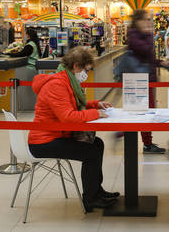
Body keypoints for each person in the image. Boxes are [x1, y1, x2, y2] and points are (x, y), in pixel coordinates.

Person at [28, 46, 119, 212]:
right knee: (90, 152)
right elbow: (68, 117)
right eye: (86, 70)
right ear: (76, 66)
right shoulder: (57, 84)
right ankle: (91, 199)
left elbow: (73, 105)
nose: (86, 75)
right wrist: (95, 113)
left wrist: (95, 104)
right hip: (44, 141)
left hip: (56, 135)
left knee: (97, 144)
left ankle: (97, 191)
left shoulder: (66, 81)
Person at [127, 9, 169, 154]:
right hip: (139, 80)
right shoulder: (134, 34)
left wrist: (159, 62)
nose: (148, 22)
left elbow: (147, 58)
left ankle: (147, 143)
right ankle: (144, 143)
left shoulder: (139, 34)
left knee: (144, 111)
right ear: (137, 20)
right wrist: (149, 34)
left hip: (146, 78)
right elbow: (145, 49)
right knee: (145, 112)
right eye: (145, 19)